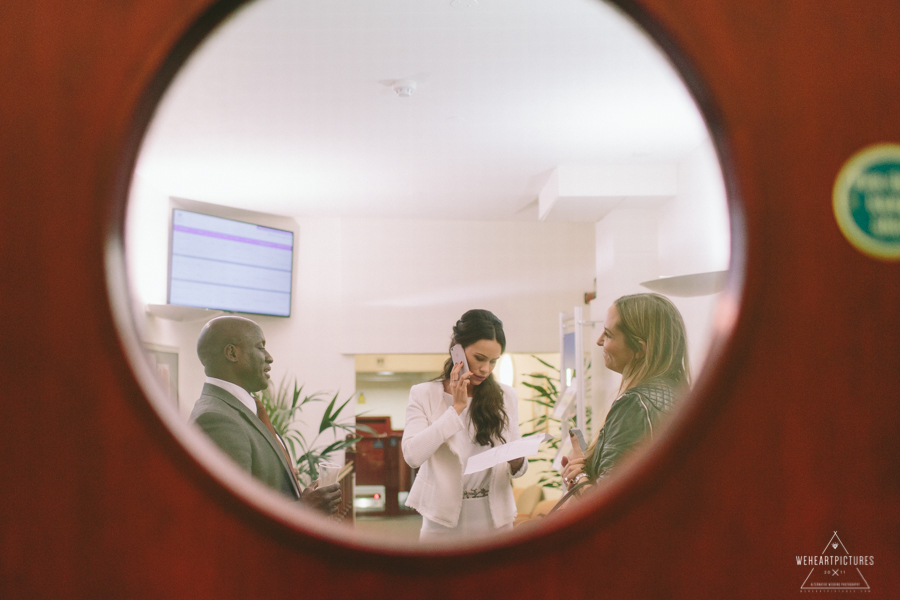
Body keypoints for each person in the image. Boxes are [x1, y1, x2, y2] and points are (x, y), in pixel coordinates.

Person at [189, 315, 340, 514]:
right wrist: (305, 509)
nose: (269, 357)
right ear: (232, 353)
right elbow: (231, 515)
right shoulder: (216, 419)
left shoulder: (243, 408)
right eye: (260, 347)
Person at [402, 309, 527, 541]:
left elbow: (517, 461)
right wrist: (455, 409)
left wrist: (518, 460)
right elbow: (412, 456)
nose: (486, 369)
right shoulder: (424, 394)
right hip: (442, 522)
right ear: (457, 350)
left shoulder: (506, 396)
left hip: (496, 521)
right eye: (480, 358)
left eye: (493, 361)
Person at [561, 293, 691, 493]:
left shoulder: (634, 404)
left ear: (639, 349)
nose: (598, 341)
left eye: (608, 334)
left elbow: (606, 504)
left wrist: (578, 476)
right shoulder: (682, 395)